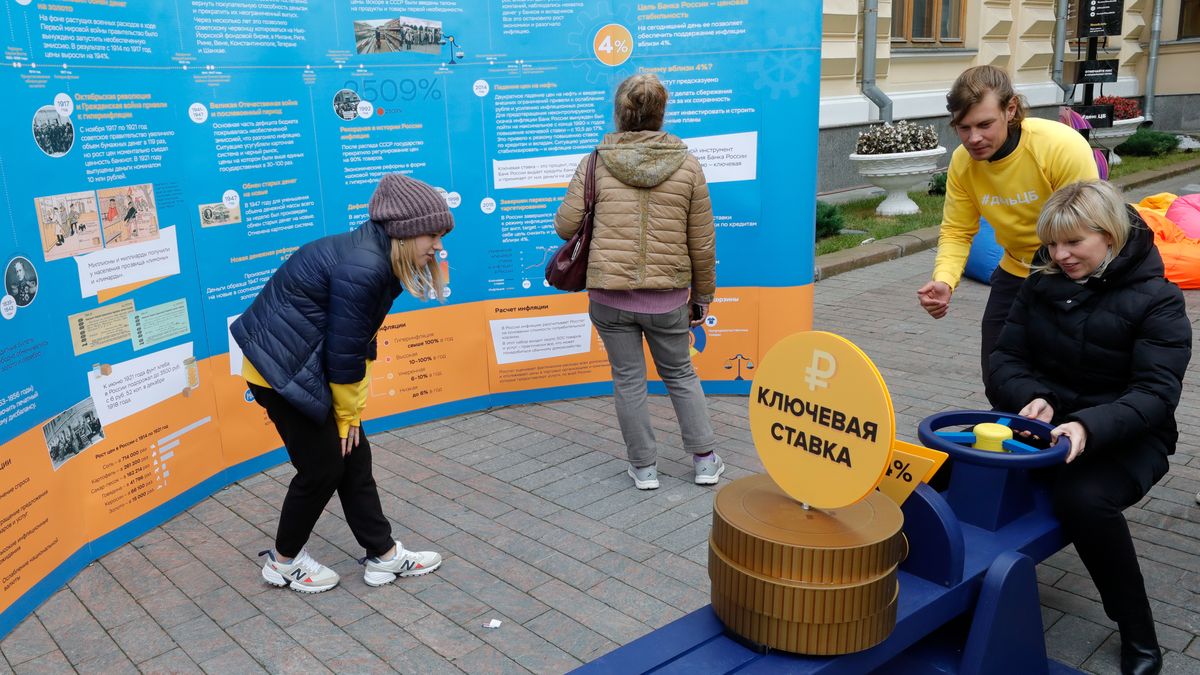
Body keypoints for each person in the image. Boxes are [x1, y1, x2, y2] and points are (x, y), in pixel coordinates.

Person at [989, 181, 1190, 675]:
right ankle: (962, 588)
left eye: (1074, 242)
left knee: (1083, 500)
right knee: (959, 468)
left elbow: (1155, 394)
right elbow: (1005, 358)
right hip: (1048, 424)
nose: (1060, 255)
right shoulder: (1039, 283)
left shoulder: (1158, 300)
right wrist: (1032, 398)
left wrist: (1085, 427)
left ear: (1111, 237)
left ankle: (1138, 631)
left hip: (1131, 437)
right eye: (1053, 243)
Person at [231, 173, 448, 593]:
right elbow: (344, 356)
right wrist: (349, 414)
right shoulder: (365, 266)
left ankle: (383, 556)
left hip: (300, 367)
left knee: (353, 460)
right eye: (432, 236)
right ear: (404, 232)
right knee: (323, 468)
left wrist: (349, 418)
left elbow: (352, 340)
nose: (438, 246)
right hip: (280, 374)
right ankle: (283, 562)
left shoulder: (375, 255)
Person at [554, 73, 721, 491]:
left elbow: (564, 226)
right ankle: (704, 461)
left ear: (620, 113)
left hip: (609, 298)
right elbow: (701, 242)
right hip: (668, 299)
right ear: (661, 114)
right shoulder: (687, 165)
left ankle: (644, 468)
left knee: (628, 379)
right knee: (681, 375)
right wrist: (702, 297)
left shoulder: (594, 162)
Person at [917, 65, 1098, 404]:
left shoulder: (1059, 147)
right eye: (963, 127)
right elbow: (957, 230)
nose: (974, 138)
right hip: (1015, 271)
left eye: (985, 124)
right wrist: (944, 280)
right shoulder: (962, 163)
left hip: (1074, 273)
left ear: (1010, 108)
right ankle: (1013, 443)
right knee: (999, 373)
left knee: (1067, 374)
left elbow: (1087, 229)